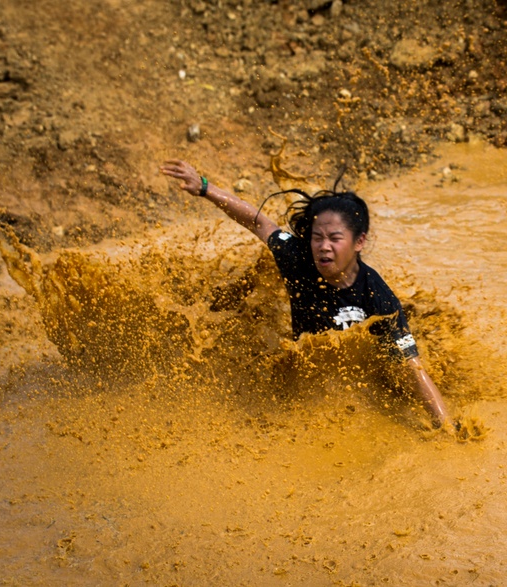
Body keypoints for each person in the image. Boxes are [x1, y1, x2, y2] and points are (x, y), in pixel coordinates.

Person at [159, 159, 452, 429]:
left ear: (359, 241)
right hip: (301, 368)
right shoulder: (296, 257)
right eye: (317, 237)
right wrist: (205, 187)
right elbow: (259, 222)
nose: (324, 246)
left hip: (360, 374)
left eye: (335, 239)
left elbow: (414, 368)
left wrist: (446, 426)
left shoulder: (378, 297)